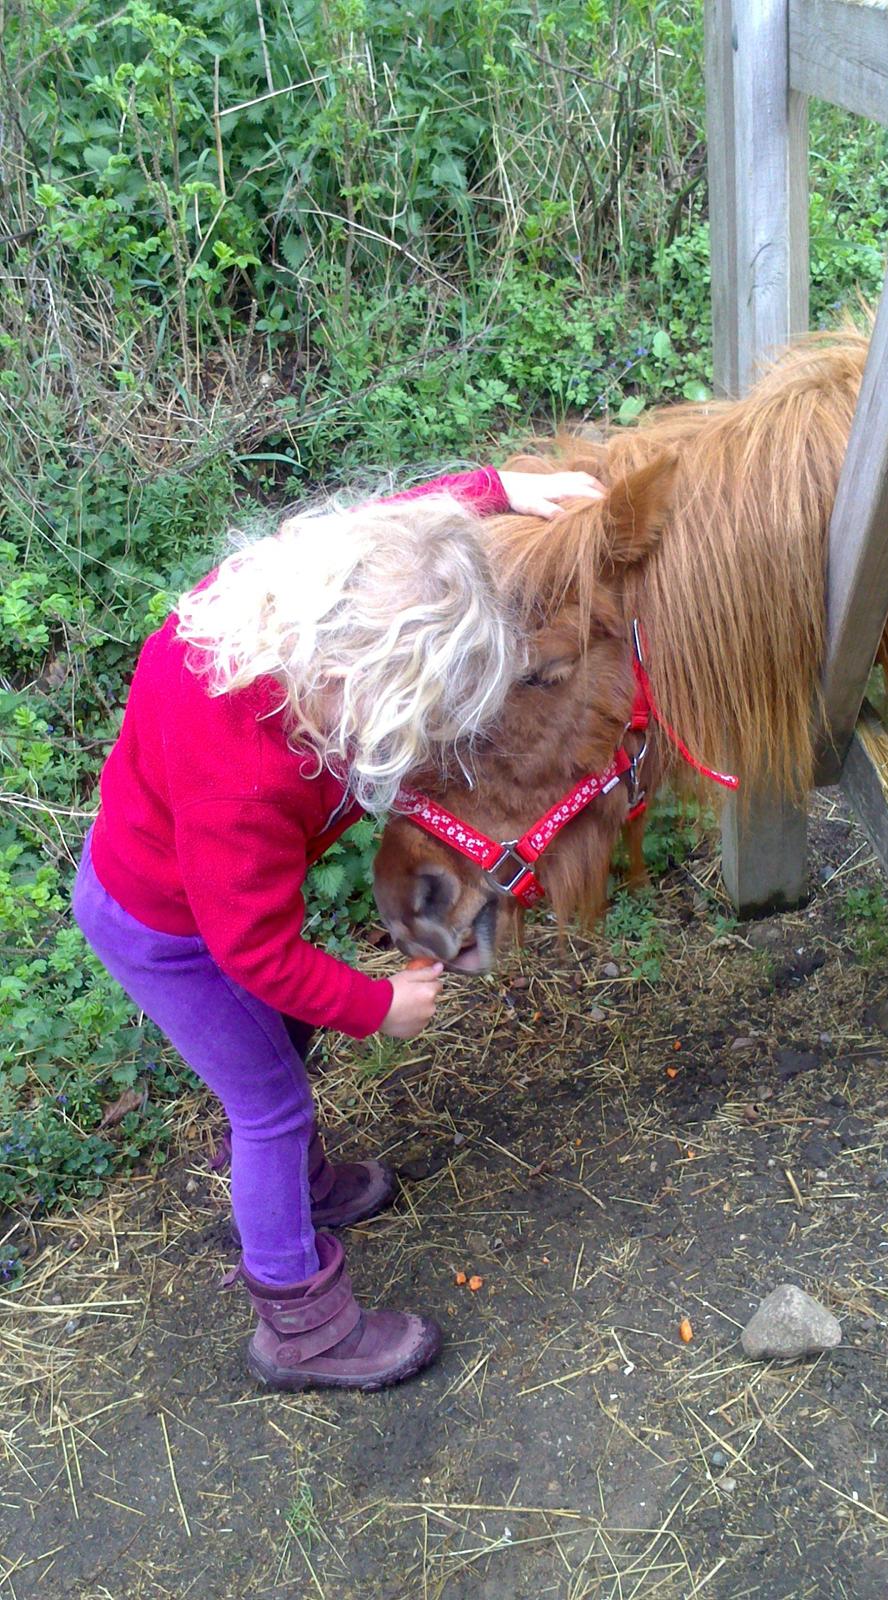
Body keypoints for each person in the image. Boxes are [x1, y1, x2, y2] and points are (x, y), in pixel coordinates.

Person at [73, 464, 605, 1392]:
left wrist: (502, 487)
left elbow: (393, 534)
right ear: (338, 677)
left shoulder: (307, 590)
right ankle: (302, 1326)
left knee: (279, 1047)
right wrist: (376, 1006)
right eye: (399, 712)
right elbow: (253, 952)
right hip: (172, 937)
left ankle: (304, 1191)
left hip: (206, 903)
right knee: (269, 1108)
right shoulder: (242, 778)